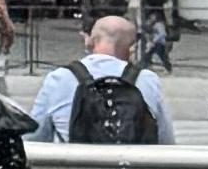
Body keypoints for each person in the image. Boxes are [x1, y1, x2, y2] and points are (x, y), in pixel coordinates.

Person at [28, 13, 172, 145]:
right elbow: (165, 141)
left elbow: (34, 138)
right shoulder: (147, 80)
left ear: (89, 42)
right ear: (132, 48)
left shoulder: (59, 78)